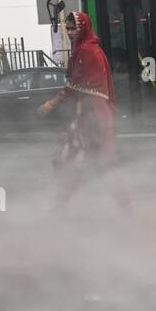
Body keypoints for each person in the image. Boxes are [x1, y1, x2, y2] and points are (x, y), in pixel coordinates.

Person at [36, 11, 131, 213]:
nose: (70, 32)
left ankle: (62, 205)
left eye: (73, 28)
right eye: (68, 28)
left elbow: (74, 87)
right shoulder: (89, 50)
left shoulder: (86, 52)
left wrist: (50, 105)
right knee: (80, 160)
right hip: (92, 114)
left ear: (83, 28)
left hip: (92, 115)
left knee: (71, 159)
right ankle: (124, 205)